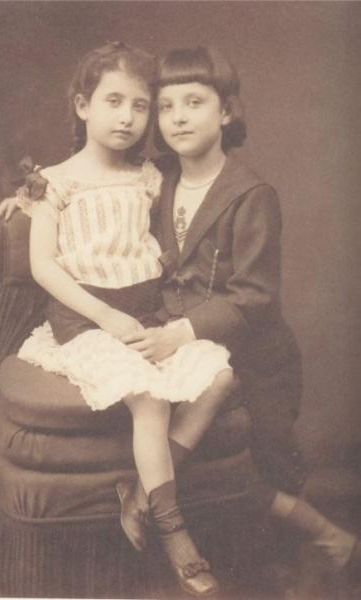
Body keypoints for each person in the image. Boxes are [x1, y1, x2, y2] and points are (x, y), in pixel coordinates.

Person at [0, 41, 246, 597]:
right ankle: (173, 530)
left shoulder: (149, 178)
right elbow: (42, 266)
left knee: (218, 375)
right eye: (113, 102)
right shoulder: (52, 183)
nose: (128, 118)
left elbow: (196, 195)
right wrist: (104, 314)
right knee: (150, 400)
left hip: (146, 315)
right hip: (85, 320)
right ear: (83, 105)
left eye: (140, 106)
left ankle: (141, 494)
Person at [118, 44, 360, 589]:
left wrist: (179, 333)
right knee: (189, 456)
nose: (178, 118)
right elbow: (93, 183)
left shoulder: (251, 194)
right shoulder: (156, 176)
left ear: (226, 112)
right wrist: (33, 200)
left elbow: (254, 297)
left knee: (239, 473)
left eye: (195, 102)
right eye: (166, 106)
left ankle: (330, 538)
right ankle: (153, 499)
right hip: (178, 345)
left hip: (250, 357)